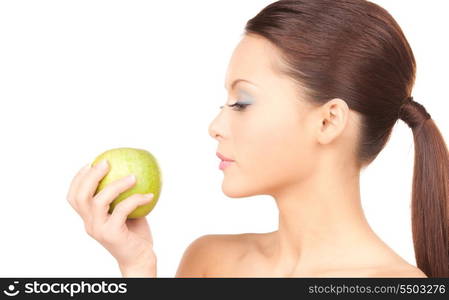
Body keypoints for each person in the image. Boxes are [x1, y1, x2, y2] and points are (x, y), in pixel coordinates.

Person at [66, 0, 448, 277]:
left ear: (329, 121)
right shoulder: (208, 261)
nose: (215, 125)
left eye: (242, 102)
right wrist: (137, 267)